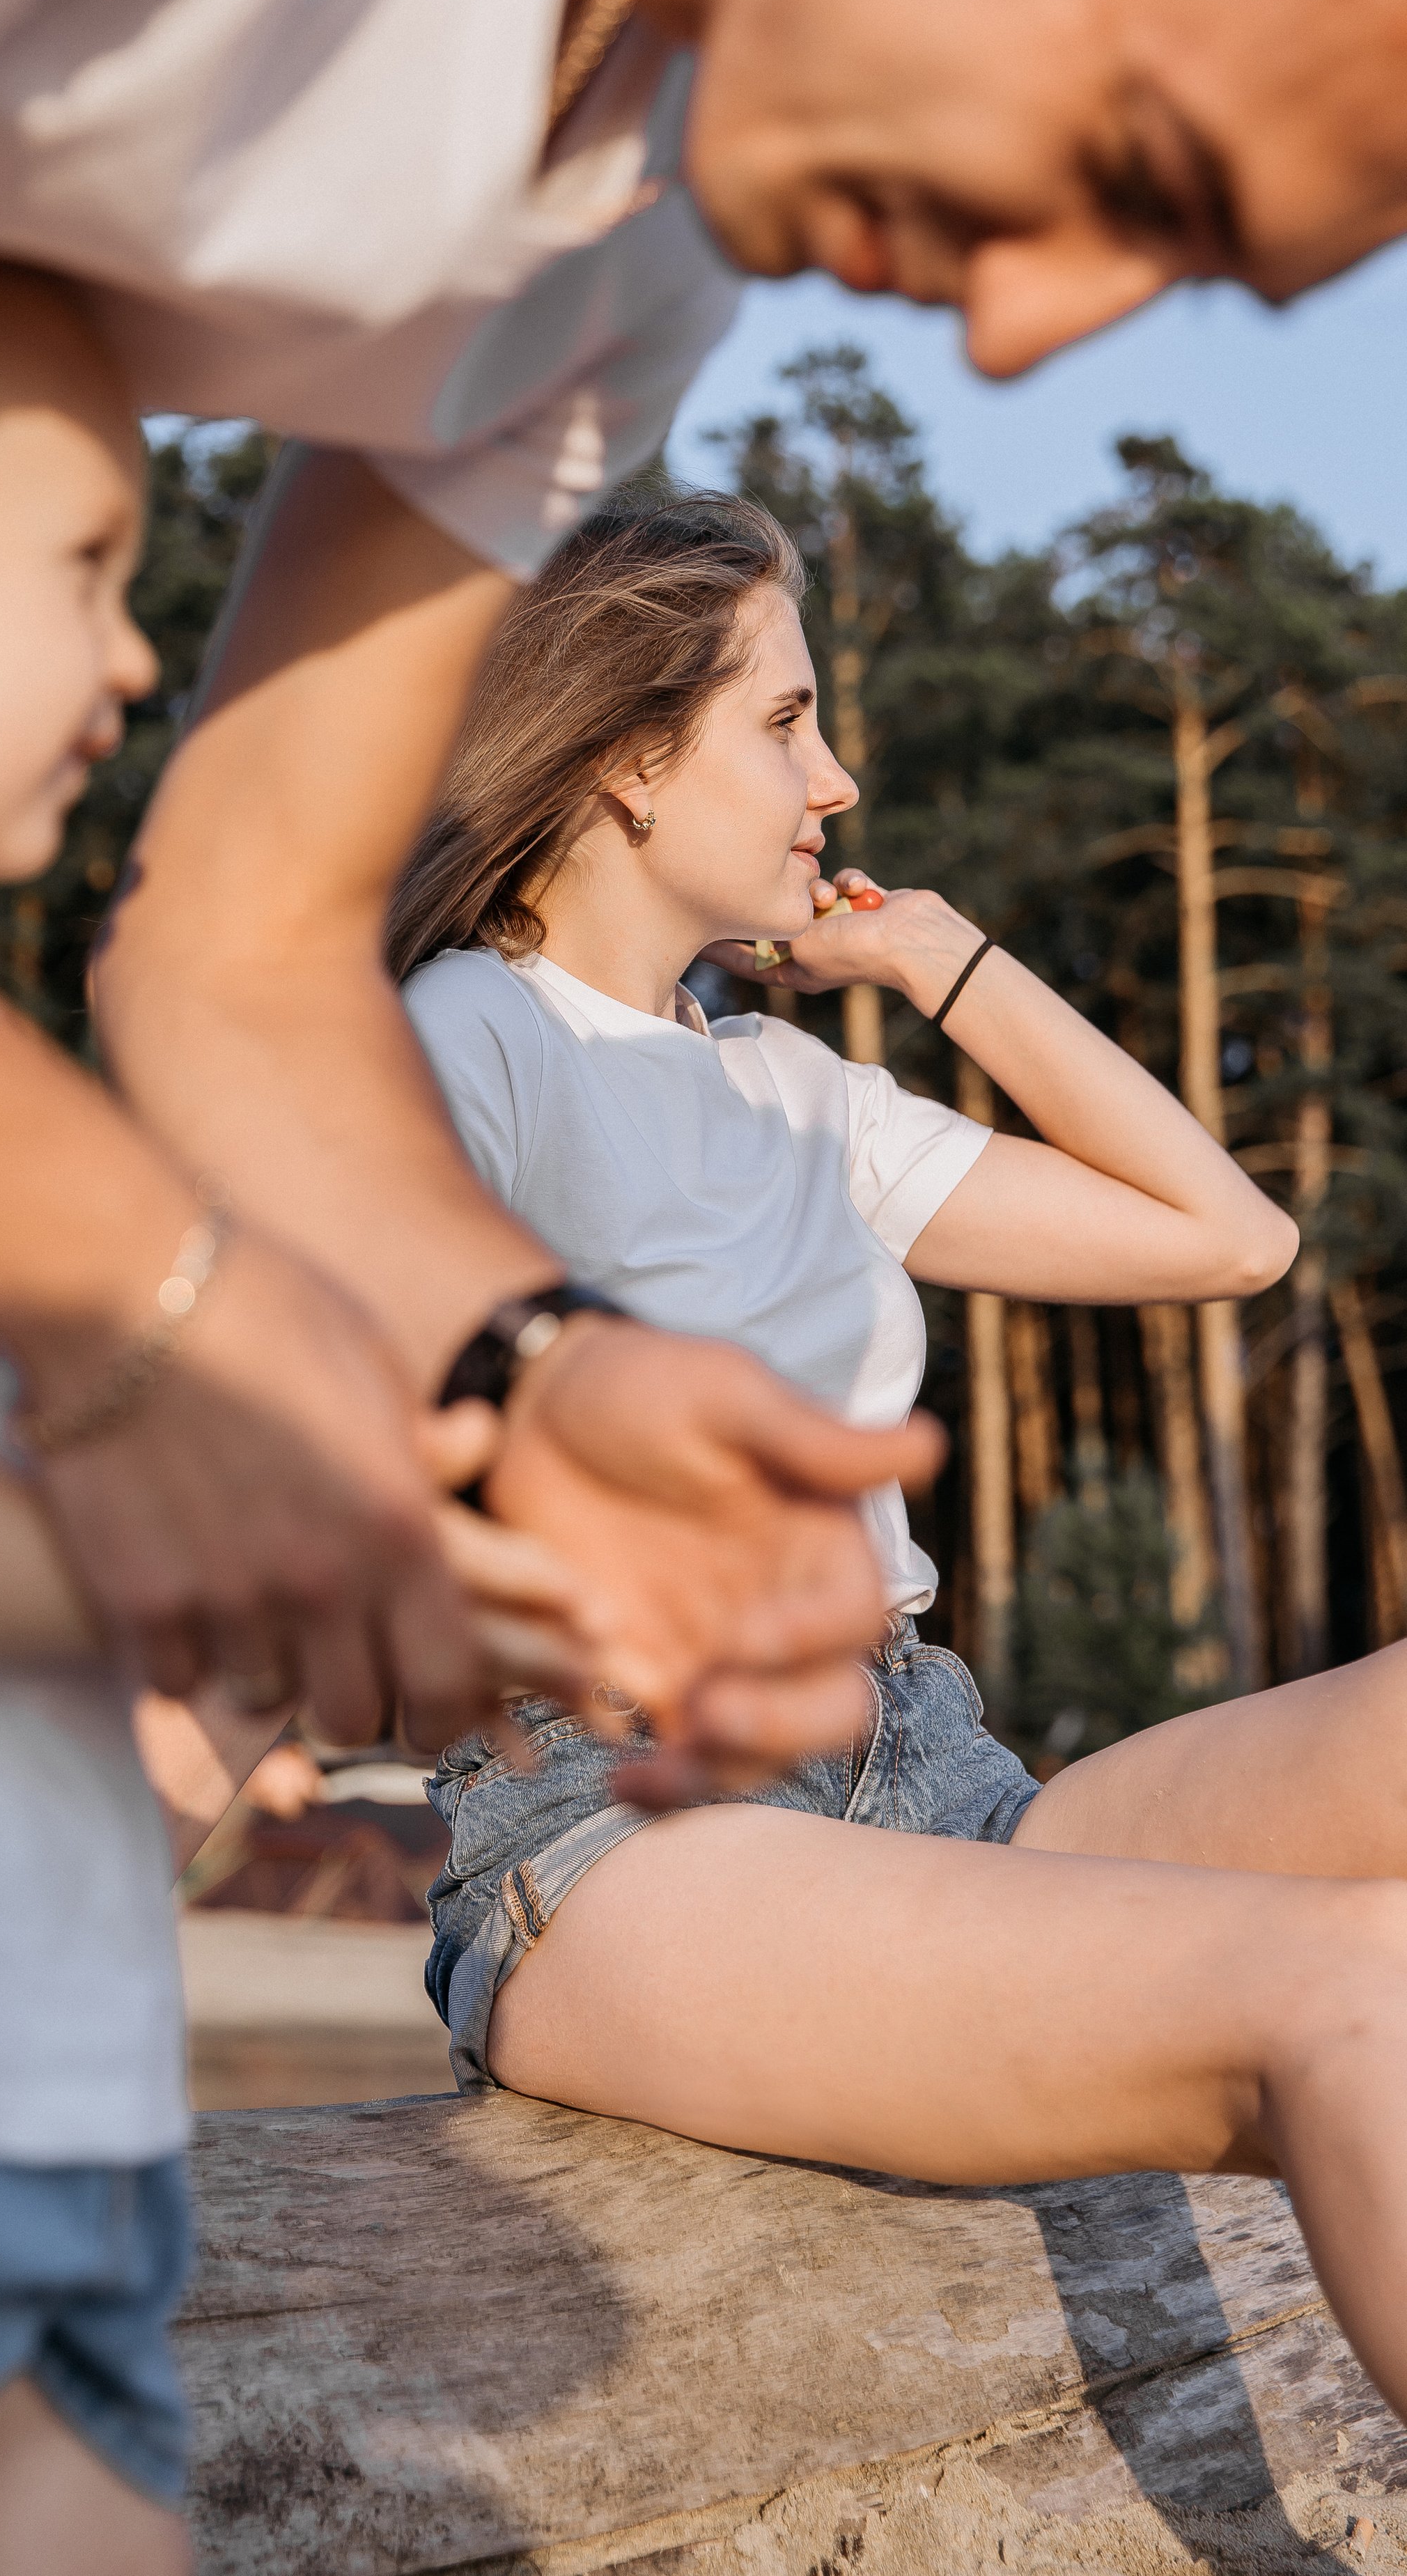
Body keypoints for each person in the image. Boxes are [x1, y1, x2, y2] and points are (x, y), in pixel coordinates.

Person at [0, 0, 1404, 1778]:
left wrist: (532, 1369)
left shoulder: (631, 270)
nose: (1025, 327)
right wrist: (140, 1280)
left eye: (1185, 281)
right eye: (1141, 168)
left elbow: (235, 945)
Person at [0, 231, 595, 2576]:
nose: (142, 655)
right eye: (83, 569)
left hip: (33, 2118)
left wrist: (297, 1616)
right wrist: (267, 1541)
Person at [388, 490, 1407, 2426]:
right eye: (783, 724)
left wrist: (950, 966)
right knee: (1366, 1988)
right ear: (619, 758)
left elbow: (1228, 1241)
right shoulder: (476, 1035)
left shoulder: (791, 1089)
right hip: (630, 1831)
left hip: (946, 1782)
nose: (837, 778)